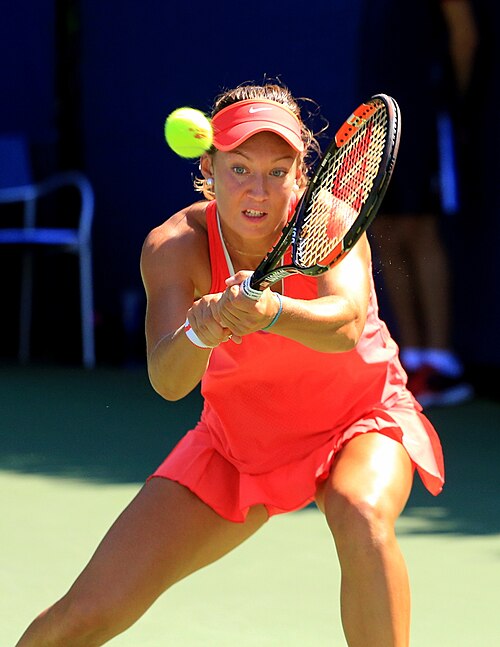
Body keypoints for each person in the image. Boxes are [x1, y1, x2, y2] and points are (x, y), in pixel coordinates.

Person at [15, 81, 445, 647]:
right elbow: (169, 381)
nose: (258, 189)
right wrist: (205, 325)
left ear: (300, 175)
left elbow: (345, 325)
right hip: (236, 444)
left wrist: (270, 311)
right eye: (239, 167)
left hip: (359, 419)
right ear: (208, 167)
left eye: (277, 170)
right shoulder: (175, 245)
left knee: (361, 512)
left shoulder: (331, 220)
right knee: (85, 614)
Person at [358, 0, 478, 407]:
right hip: (377, 115)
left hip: (424, 111)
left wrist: (447, 101)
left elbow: (465, 35)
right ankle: (411, 358)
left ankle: (441, 364)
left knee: (421, 228)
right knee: (385, 231)